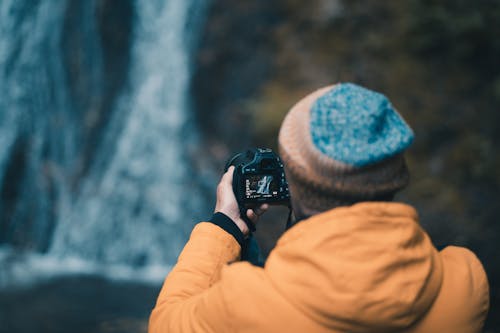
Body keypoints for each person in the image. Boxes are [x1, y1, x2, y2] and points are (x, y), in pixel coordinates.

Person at [149, 83, 489, 332]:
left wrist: (224, 226)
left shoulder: (244, 303)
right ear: (396, 175)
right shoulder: (464, 282)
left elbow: (165, 323)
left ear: (293, 181)